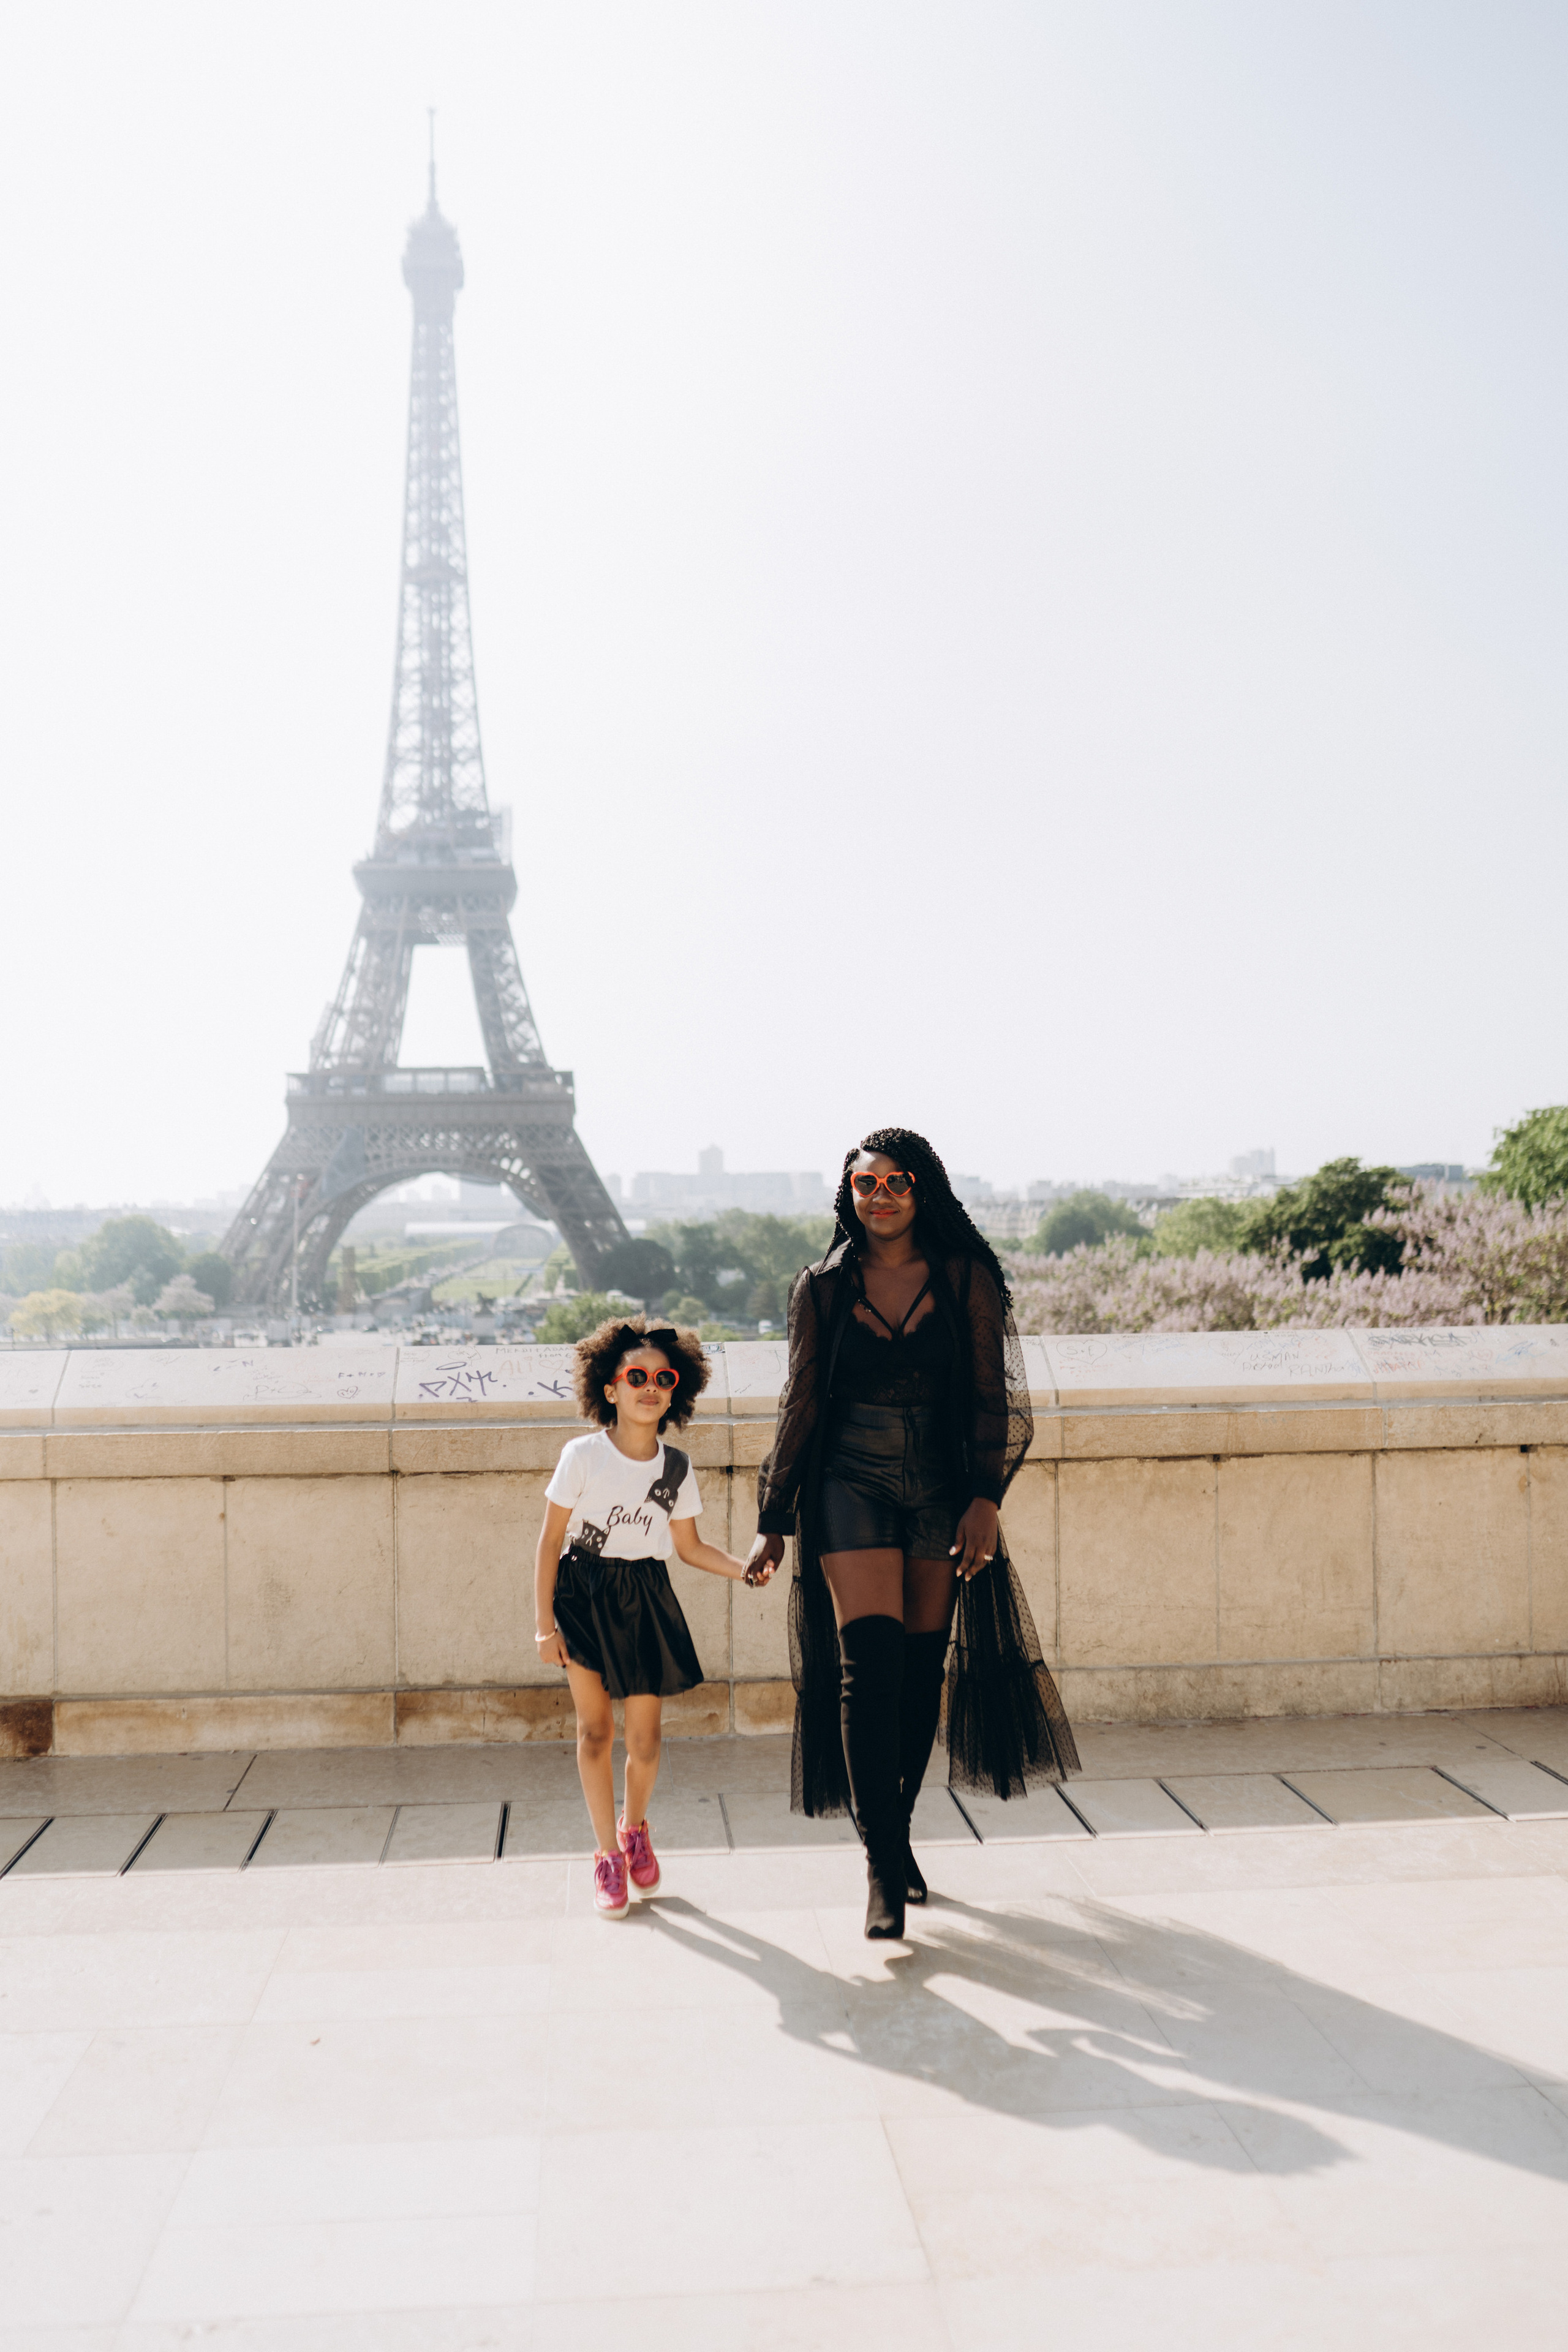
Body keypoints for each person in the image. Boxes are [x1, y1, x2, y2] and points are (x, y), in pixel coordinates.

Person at [745, 1128, 1079, 1940]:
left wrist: (985, 1498)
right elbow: (802, 1405)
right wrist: (773, 1516)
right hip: (847, 1481)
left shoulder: (968, 1277)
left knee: (922, 1674)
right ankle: (882, 1873)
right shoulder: (820, 1288)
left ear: (922, 1191)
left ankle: (890, 1836)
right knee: (870, 1671)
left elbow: (993, 1398)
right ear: (847, 1195)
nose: (882, 1196)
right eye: (867, 1184)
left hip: (941, 1485)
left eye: (897, 1182)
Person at [535, 1314, 769, 1919]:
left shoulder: (675, 1469)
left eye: (662, 1378)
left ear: (676, 1391)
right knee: (596, 1733)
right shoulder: (582, 1454)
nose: (649, 1386)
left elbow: (689, 1548)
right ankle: (604, 1857)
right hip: (582, 1592)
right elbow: (548, 1541)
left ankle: (632, 1827)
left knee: (646, 1739)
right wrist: (544, 1625)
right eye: (634, 1375)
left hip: (644, 1594)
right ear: (608, 1388)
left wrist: (744, 1567)